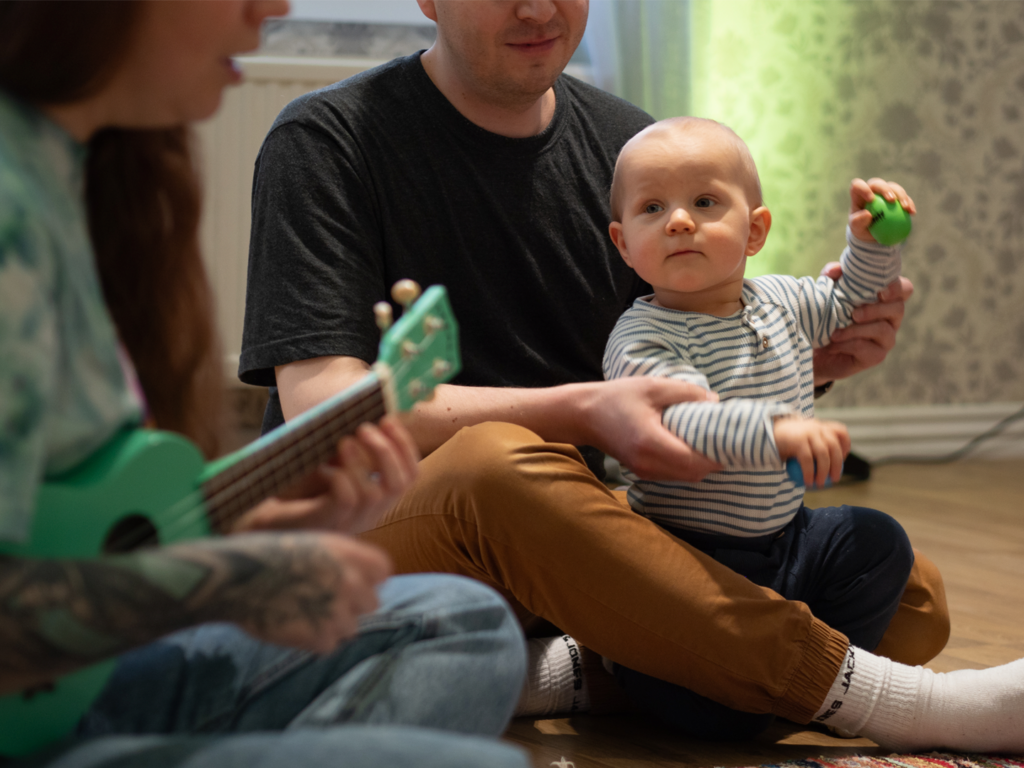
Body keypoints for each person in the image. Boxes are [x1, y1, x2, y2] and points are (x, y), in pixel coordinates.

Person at [241, 0, 1024, 753]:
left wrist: (805, 363)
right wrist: (585, 411)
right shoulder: (326, 138)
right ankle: (901, 707)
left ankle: (571, 671)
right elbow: (324, 406)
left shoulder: (626, 145)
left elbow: (668, 373)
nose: (540, 9)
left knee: (909, 595)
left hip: (573, 531)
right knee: (498, 464)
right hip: (377, 521)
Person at [0, 1, 529, 767]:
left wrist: (254, 529)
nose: (275, 7)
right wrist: (225, 582)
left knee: (462, 620)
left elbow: (64, 524)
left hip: (68, 688)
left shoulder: (71, 172)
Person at [601, 115, 920, 735]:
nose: (680, 221)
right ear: (622, 244)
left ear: (755, 230)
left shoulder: (782, 299)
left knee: (878, 541)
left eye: (704, 202)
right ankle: (697, 692)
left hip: (786, 539)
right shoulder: (642, 336)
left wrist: (872, 247)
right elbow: (685, 420)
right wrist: (776, 429)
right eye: (652, 208)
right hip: (687, 557)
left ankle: (824, 681)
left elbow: (847, 305)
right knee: (685, 689)